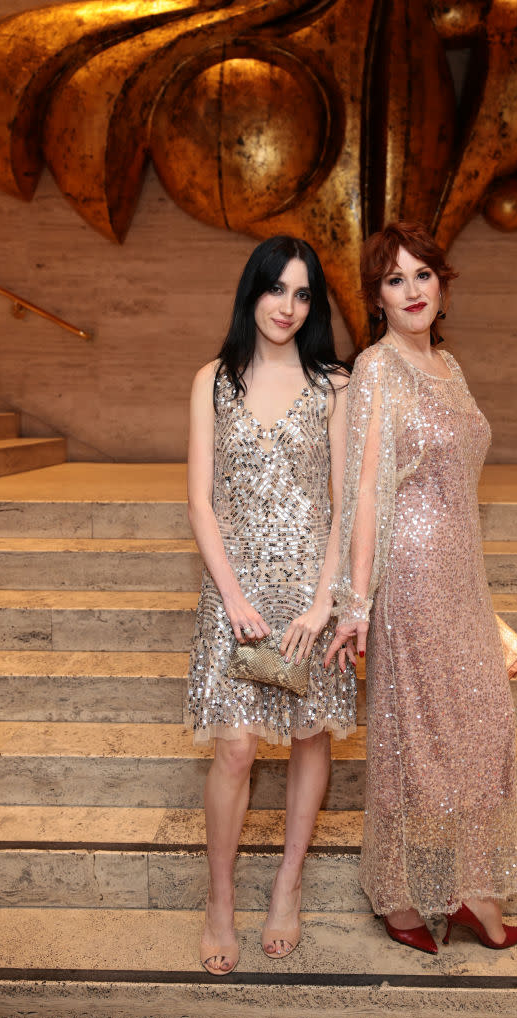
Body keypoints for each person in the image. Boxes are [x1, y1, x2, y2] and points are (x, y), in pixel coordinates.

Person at [325, 221, 517, 954]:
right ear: (376, 297)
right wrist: (357, 603)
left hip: (461, 571)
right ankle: (403, 892)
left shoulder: (450, 365)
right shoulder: (378, 368)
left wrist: (487, 604)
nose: (411, 290)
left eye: (422, 275)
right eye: (393, 278)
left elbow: (460, 487)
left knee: (483, 729)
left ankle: (473, 893)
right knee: (419, 738)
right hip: (407, 576)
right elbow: (365, 493)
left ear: (441, 285)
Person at [187, 235, 354, 975]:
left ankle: (287, 885)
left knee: (311, 734)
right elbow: (199, 503)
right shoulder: (213, 381)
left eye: (302, 293)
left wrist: (323, 604)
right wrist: (234, 599)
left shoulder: (335, 387)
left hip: (309, 592)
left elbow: (346, 508)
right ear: (251, 292)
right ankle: (219, 899)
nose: (287, 307)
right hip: (237, 587)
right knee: (236, 745)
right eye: (275, 289)